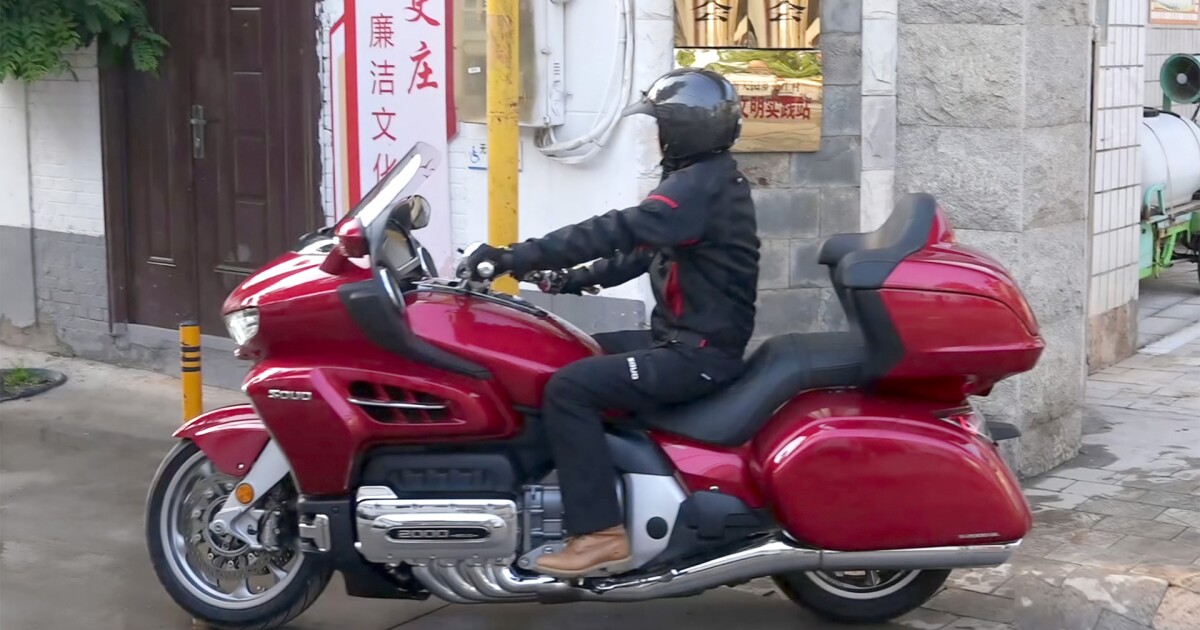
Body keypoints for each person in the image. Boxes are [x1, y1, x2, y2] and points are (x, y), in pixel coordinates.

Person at [463, 68, 760, 578]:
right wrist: (573, 280)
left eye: (661, 126)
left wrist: (511, 258)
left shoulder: (696, 188)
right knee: (573, 352)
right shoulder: (707, 182)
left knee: (569, 389)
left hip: (696, 355)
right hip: (686, 340)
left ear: (684, 130)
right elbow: (644, 250)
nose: (657, 137)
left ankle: (600, 533)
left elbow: (619, 229)